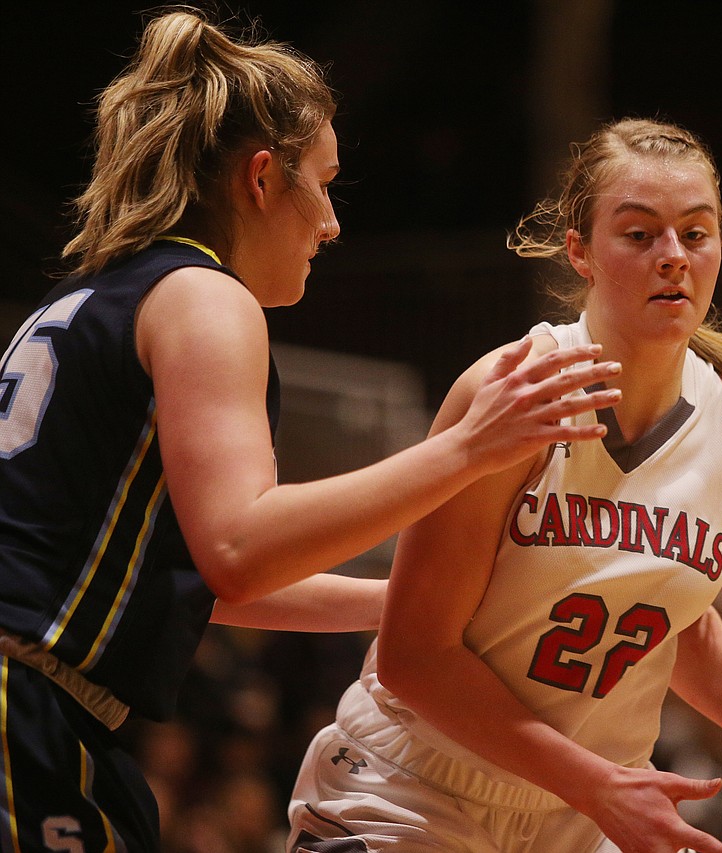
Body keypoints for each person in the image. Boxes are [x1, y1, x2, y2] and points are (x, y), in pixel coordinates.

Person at [0, 10, 621, 852]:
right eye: (323, 184)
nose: (330, 223)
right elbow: (242, 546)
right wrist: (467, 447)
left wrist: (411, 609)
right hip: (20, 695)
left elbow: (216, 580)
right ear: (261, 179)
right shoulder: (204, 296)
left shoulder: (92, 297)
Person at [286, 117, 722, 853]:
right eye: (639, 234)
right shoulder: (511, 390)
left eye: (696, 233)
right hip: (414, 786)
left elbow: (671, 619)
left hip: (584, 812)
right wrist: (594, 782)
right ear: (580, 250)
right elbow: (414, 656)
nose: (672, 257)